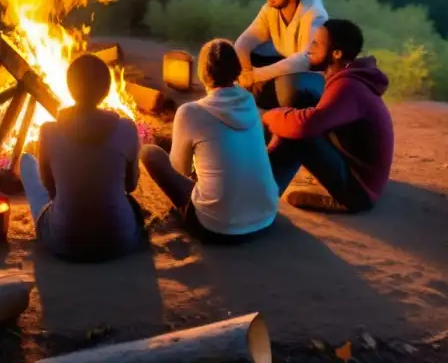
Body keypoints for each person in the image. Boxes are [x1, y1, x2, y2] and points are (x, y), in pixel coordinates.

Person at [140, 39, 278, 242]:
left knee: (149, 153)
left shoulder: (191, 112)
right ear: (237, 71)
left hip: (214, 226)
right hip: (265, 219)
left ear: (202, 73)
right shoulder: (249, 102)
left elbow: (180, 171)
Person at [18, 53, 144, 262]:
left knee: (25, 162)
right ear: (106, 90)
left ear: (69, 87)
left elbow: (50, 188)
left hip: (63, 242)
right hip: (120, 241)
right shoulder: (127, 129)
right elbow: (130, 187)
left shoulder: (48, 131)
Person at [263, 19, 395, 213]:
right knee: (300, 109)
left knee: (298, 131)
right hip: (361, 176)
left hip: (360, 192)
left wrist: (270, 117)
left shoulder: (349, 86)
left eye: (317, 43)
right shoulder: (347, 78)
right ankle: (260, 178)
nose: (310, 47)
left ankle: (259, 198)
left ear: (336, 53)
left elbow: (304, 127)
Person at [234, 0, 328, 111]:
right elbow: (245, 41)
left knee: (287, 86)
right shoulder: (269, 9)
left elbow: (305, 59)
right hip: (286, 62)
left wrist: (256, 76)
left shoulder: (314, 14)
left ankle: (275, 104)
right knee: (243, 56)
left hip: (311, 74)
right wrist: (246, 71)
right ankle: (257, 96)